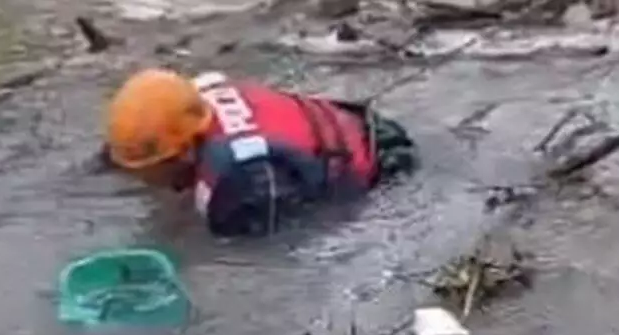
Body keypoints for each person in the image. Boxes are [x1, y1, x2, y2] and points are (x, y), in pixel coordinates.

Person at [103, 68, 417, 238]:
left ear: (183, 153)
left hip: (385, 164)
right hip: (347, 127)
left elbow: (272, 256)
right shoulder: (195, 100)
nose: (142, 181)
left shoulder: (245, 183)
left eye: (148, 172)